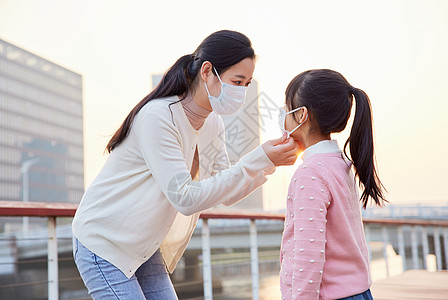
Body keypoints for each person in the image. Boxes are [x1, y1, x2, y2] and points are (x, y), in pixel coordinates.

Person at [72, 30, 300, 299]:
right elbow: (184, 197)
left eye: (247, 84)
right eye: (237, 82)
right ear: (207, 71)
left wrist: (267, 162)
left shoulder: (213, 123)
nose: (242, 92)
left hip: (143, 247)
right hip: (105, 243)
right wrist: (259, 159)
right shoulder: (159, 117)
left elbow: (226, 191)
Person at [278, 69, 387, 299]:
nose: (283, 116)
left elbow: (308, 256)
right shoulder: (340, 165)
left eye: (287, 109)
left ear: (302, 115)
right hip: (359, 292)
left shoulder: (310, 174)